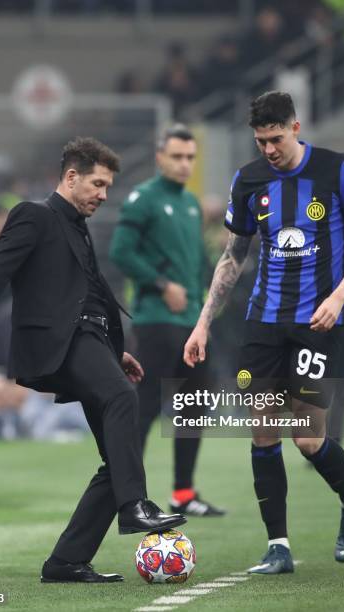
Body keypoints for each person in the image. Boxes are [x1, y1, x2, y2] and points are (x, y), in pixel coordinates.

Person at [0, 137, 186, 584]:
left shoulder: (78, 225)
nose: (104, 195)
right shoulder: (34, 215)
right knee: (125, 398)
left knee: (115, 461)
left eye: (107, 186)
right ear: (70, 177)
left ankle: (65, 561)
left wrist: (111, 350)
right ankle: (134, 506)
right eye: (98, 184)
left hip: (88, 341)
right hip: (59, 343)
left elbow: (86, 293)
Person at [184, 91, 344, 573]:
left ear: (295, 126)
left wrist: (338, 298)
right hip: (262, 323)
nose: (268, 149)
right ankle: (279, 547)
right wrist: (203, 322)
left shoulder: (336, 169)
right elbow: (233, 257)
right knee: (264, 433)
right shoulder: (248, 180)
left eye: (274, 138)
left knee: (307, 439)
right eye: (260, 141)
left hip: (317, 322)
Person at [109, 124, 224, 517]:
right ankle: (130, 497)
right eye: (176, 156)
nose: (184, 164)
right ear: (160, 158)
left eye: (190, 157)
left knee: (195, 404)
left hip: (193, 325)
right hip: (156, 321)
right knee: (144, 408)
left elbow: (196, 265)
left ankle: (184, 494)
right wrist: (161, 285)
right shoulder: (143, 199)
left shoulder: (192, 205)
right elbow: (121, 252)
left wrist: (204, 310)